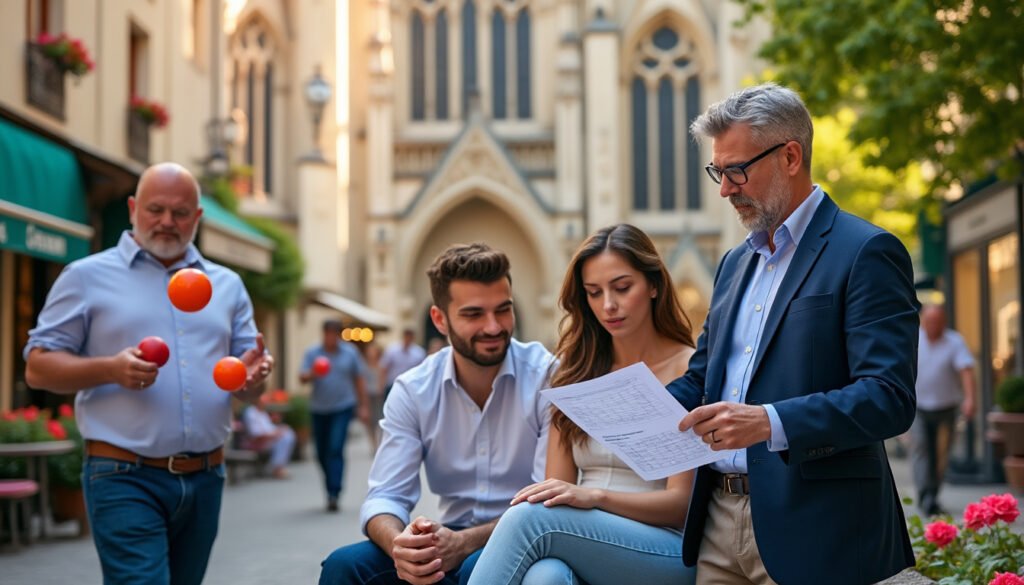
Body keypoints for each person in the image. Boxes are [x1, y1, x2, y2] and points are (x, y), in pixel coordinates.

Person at [670, 83, 919, 585]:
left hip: (820, 530)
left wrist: (770, 421)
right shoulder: (734, 264)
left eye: (737, 170)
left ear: (790, 156)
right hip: (717, 524)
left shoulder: (866, 250)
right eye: (718, 172)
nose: (725, 189)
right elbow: (702, 380)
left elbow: (888, 397)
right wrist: (628, 405)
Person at [23, 162, 274, 585]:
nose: (166, 222)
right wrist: (110, 369)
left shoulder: (227, 285)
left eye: (180, 213)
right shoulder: (86, 277)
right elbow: (37, 368)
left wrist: (255, 378)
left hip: (206, 476)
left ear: (197, 218)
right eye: (155, 209)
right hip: (122, 474)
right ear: (133, 207)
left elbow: (248, 383)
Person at [468, 224, 697, 585]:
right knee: (545, 578)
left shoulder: (690, 370)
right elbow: (556, 488)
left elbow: (680, 505)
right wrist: (580, 499)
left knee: (527, 519)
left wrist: (595, 497)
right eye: (594, 292)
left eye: (622, 288)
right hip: (582, 537)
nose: (608, 305)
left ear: (653, 285)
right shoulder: (575, 371)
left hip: (664, 547)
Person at [319, 243, 555, 585]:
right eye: (474, 314)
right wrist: (402, 546)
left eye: (503, 310)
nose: (493, 326)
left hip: (526, 540)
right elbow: (385, 497)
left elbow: (544, 504)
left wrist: (464, 543)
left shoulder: (546, 377)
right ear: (439, 319)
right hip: (449, 541)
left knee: (479, 568)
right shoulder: (413, 389)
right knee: (344, 566)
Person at [912, 303, 976, 516]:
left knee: (941, 455)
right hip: (918, 408)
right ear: (923, 321)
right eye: (930, 321)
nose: (933, 326)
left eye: (937, 322)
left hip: (946, 409)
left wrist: (970, 399)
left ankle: (933, 494)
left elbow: (966, 371)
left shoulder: (954, 341)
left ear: (944, 322)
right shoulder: (914, 339)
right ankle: (924, 495)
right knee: (921, 450)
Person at [300, 319, 370, 512]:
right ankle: (330, 484)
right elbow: (302, 377)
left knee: (335, 447)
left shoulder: (350, 353)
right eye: (327, 334)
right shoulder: (313, 353)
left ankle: (334, 492)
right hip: (319, 408)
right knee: (321, 452)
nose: (330, 338)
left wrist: (363, 406)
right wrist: (313, 372)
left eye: (333, 334)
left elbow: (359, 379)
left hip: (343, 406)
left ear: (338, 335)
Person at [241, 395, 296, 479]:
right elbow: (256, 434)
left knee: (288, 433)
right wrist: (275, 434)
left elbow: (270, 428)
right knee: (285, 438)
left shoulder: (262, 413)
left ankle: (278, 466)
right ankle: (277, 468)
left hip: (267, 439)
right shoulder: (251, 413)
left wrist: (278, 430)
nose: (266, 404)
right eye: (265, 402)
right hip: (257, 442)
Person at [357, 341, 385, 454]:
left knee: (379, 420)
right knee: (370, 423)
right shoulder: (363, 366)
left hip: (378, 397)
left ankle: (379, 444)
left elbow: (383, 378)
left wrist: (380, 389)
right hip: (368, 396)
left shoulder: (381, 365)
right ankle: (373, 445)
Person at [380, 327, 426, 395]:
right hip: (392, 384)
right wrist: (382, 384)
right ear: (403, 336)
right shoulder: (392, 349)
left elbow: (421, 371)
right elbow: (384, 367)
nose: (408, 338)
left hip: (410, 386)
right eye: (407, 336)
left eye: (410, 337)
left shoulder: (419, 353)